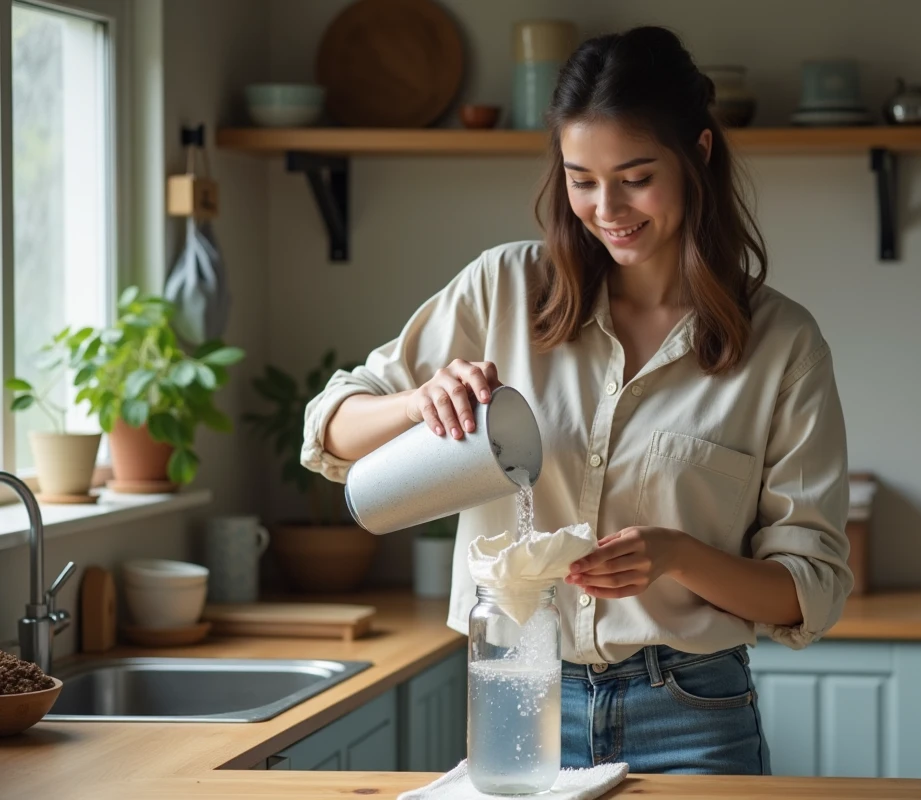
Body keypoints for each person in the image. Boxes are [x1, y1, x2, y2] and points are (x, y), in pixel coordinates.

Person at [301, 25, 852, 776]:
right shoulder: (501, 289)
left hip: (691, 712)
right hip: (518, 695)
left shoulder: (783, 345)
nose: (606, 207)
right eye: (581, 178)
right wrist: (418, 401)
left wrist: (678, 556)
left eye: (635, 176)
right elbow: (332, 426)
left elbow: (807, 590)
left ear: (698, 155)